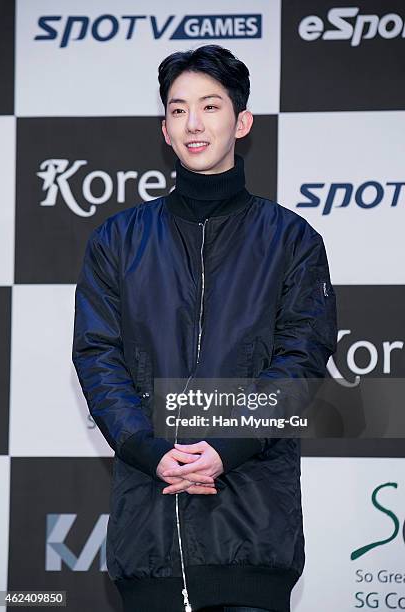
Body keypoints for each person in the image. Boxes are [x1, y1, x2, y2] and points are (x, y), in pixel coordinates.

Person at [72, 44, 337, 612]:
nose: (193, 123)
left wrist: (225, 447)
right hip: (149, 529)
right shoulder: (117, 241)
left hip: (252, 531)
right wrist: (148, 448)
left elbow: (301, 362)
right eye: (177, 109)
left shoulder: (291, 240)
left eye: (210, 106)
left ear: (241, 122)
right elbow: (98, 356)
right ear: (165, 130)